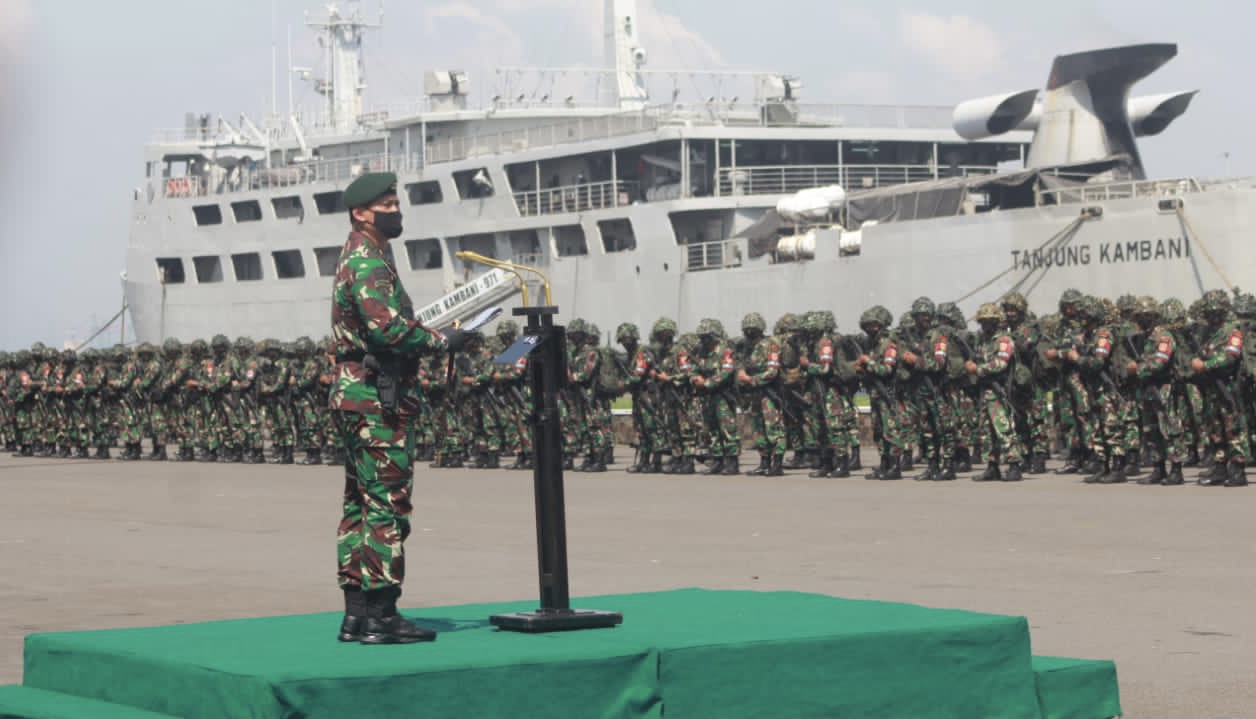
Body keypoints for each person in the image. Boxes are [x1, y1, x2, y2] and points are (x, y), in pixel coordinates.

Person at [329, 171, 468, 645]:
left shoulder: (365, 255)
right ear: (361, 212)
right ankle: (383, 617)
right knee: (387, 505)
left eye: (395, 202)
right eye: (386, 204)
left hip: (361, 394)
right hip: (375, 400)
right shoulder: (368, 260)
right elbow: (386, 332)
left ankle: (358, 614)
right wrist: (441, 338)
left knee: (361, 506)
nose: (395, 210)